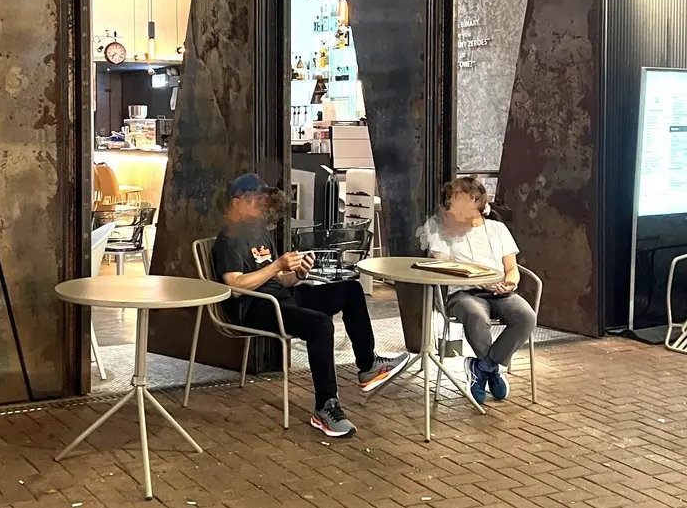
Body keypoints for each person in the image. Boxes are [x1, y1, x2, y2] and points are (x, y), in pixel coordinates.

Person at [212, 174, 407, 438]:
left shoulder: (260, 234)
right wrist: (276, 266)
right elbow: (235, 287)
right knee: (320, 325)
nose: (261, 205)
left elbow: (281, 279)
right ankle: (326, 407)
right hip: (253, 307)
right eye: (255, 200)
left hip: (281, 298)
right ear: (237, 202)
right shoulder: (229, 238)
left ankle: (368, 365)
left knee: (351, 290)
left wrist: (298, 273)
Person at [417, 176, 536, 403]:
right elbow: (443, 267)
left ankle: (483, 367)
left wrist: (510, 283)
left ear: (477, 201)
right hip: (464, 292)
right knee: (476, 316)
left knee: (526, 317)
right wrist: (480, 281)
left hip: (500, 291)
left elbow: (512, 268)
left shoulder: (498, 229)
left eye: (463, 199)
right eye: (454, 200)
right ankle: (492, 369)